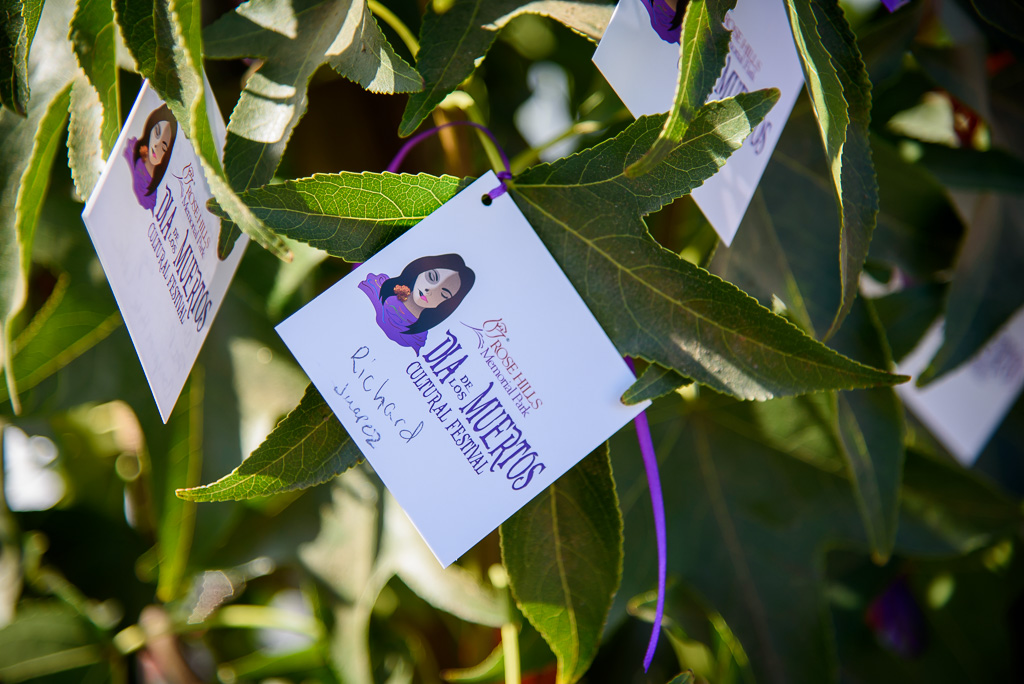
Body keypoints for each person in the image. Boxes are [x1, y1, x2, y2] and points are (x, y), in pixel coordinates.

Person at [359, 254, 476, 354]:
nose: (430, 290)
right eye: (431, 277)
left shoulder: (416, 340)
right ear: (421, 272)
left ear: (445, 304)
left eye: (443, 294)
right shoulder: (375, 285)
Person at [124, 105, 177, 211]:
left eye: (163, 147)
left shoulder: (152, 198)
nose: (156, 145)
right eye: (157, 133)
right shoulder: (132, 147)